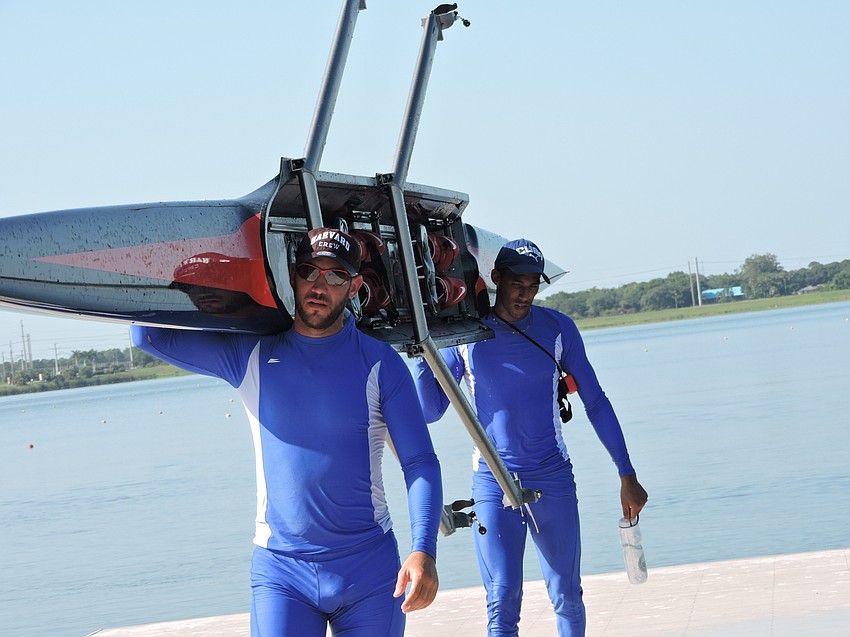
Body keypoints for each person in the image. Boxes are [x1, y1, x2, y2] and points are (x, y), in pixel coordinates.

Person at [132, 227, 443, 637]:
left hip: (367, 568)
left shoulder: (380, 364)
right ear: (292, 277)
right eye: (309, 272)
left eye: (335, 276)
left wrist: (424, 550)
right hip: (282, 573)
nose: (319, 286)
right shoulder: (252, 356)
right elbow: (147, 335)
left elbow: (419, 461)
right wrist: (207, 294)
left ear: (355, 286)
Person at [414, 238, 648, 636]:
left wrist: (626, 474)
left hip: (552, 477)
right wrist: (424, 354)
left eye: (532, 285)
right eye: (516, 284)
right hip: (491, 482)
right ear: (496, 278)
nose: (524, 294)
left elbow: (595, 401)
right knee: (501, 603)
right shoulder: (467, 334)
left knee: (567, 595)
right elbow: (431, 411)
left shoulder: (558, 329)